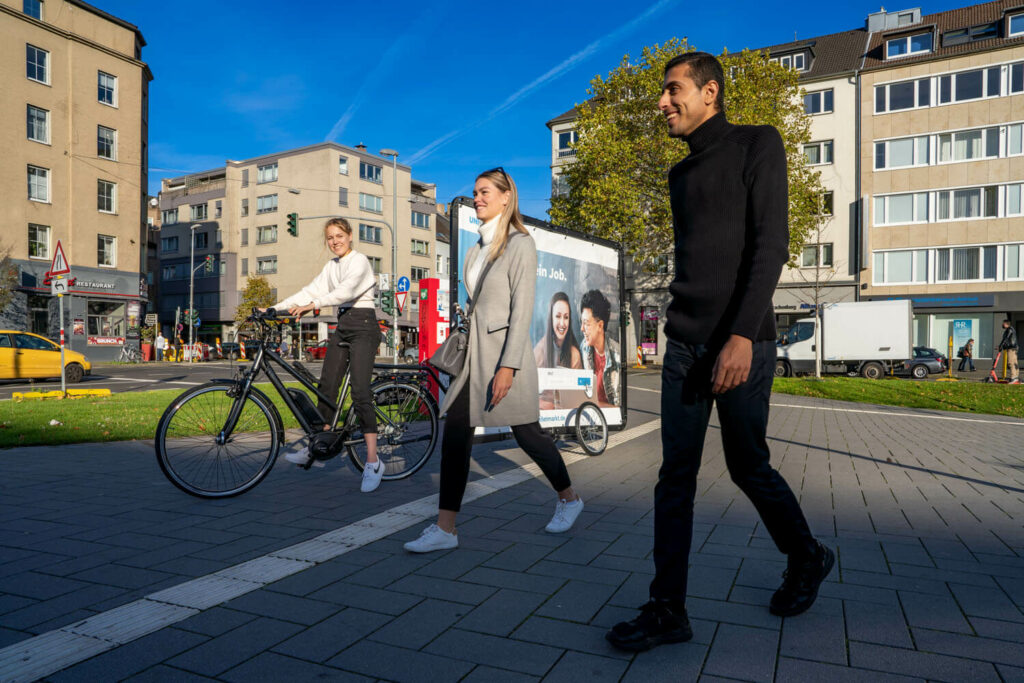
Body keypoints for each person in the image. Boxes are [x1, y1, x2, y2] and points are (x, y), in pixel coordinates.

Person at [607, 52, 833, 653]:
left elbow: (770, 246)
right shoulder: (680, 176)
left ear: (710, 92)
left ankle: (807, 556)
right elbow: (695, 263)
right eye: (663, 93)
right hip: (685, 344)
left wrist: (738, 335)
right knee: (673, 477)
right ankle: (667, 609)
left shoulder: (759, 144)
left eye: (672, 90)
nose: (662, 103)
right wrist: (680, 335)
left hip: (742, 341)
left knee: (746, 464)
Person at [405, 168, 584, 553]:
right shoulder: (475, 248)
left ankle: (569, 497)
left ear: (506, 197)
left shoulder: (520, 243)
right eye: (474, 192)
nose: (477, 198)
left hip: (507, 355)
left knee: (528, 434)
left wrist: (508, 367)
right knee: (456, 434)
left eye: (485, 192)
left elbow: (522, 310)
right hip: (475, 357)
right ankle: (445, 529)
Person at [270, 218, 385, 493]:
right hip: (343, 325)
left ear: (350, 235)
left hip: (364, 326)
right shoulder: (331, 266)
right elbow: (310, 290)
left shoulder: (360, 262)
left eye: (339, 236)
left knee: (360, 392)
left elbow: (346, 291)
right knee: (327, 387)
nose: (335, 241)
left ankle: (373, 461)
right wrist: (273, 309)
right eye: (330, 238)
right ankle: (318, 446)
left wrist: (314, 305)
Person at [579, 289, 621, 406]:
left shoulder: (617, 355)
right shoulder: (584, 347)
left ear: (600, 325)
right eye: (581, 322)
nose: (582, 328)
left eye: (586, 323)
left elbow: (618, 406)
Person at [534, 291, 583, 369]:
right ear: (551, 318)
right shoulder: (539, 352)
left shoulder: (574, 355)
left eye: (566, 317)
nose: (562, 323)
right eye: (558, 316)